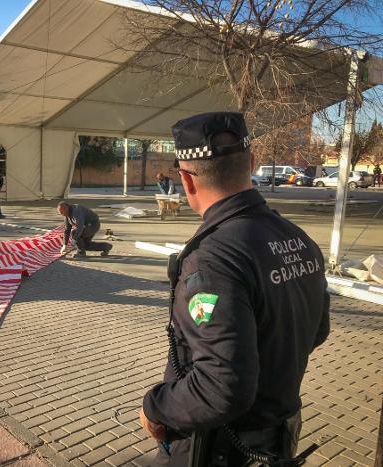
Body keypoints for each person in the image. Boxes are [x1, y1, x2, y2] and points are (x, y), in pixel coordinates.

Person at [139, 112, 330, 466]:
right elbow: (316, 330)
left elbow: (221, 387)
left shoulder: (212, 259)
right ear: (252, 163)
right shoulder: (298, 238)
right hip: (279, 434)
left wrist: (157, 407)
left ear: (186, 179)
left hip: (221, 447)